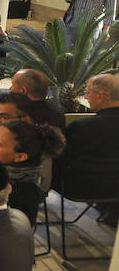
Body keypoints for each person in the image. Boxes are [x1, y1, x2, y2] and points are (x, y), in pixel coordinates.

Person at [58, 74, 119, 204]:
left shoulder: (81, 127)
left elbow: (62, 159)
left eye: (88, 92)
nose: (85, 97)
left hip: (81, 189)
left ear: (100, 96)